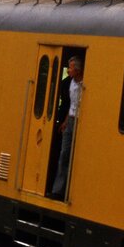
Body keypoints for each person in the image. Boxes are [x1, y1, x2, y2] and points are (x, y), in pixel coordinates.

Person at [49, 56, 83, 199]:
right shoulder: (70, 83)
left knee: (76, 156)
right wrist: (65, 121)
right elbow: (72, 105)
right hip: (70, 120)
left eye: (70, 68)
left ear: (77, 70)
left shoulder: (84, 83)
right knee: (64, 154)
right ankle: (58, 191)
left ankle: (71, 192)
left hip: (80, 121)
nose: (68, 70)